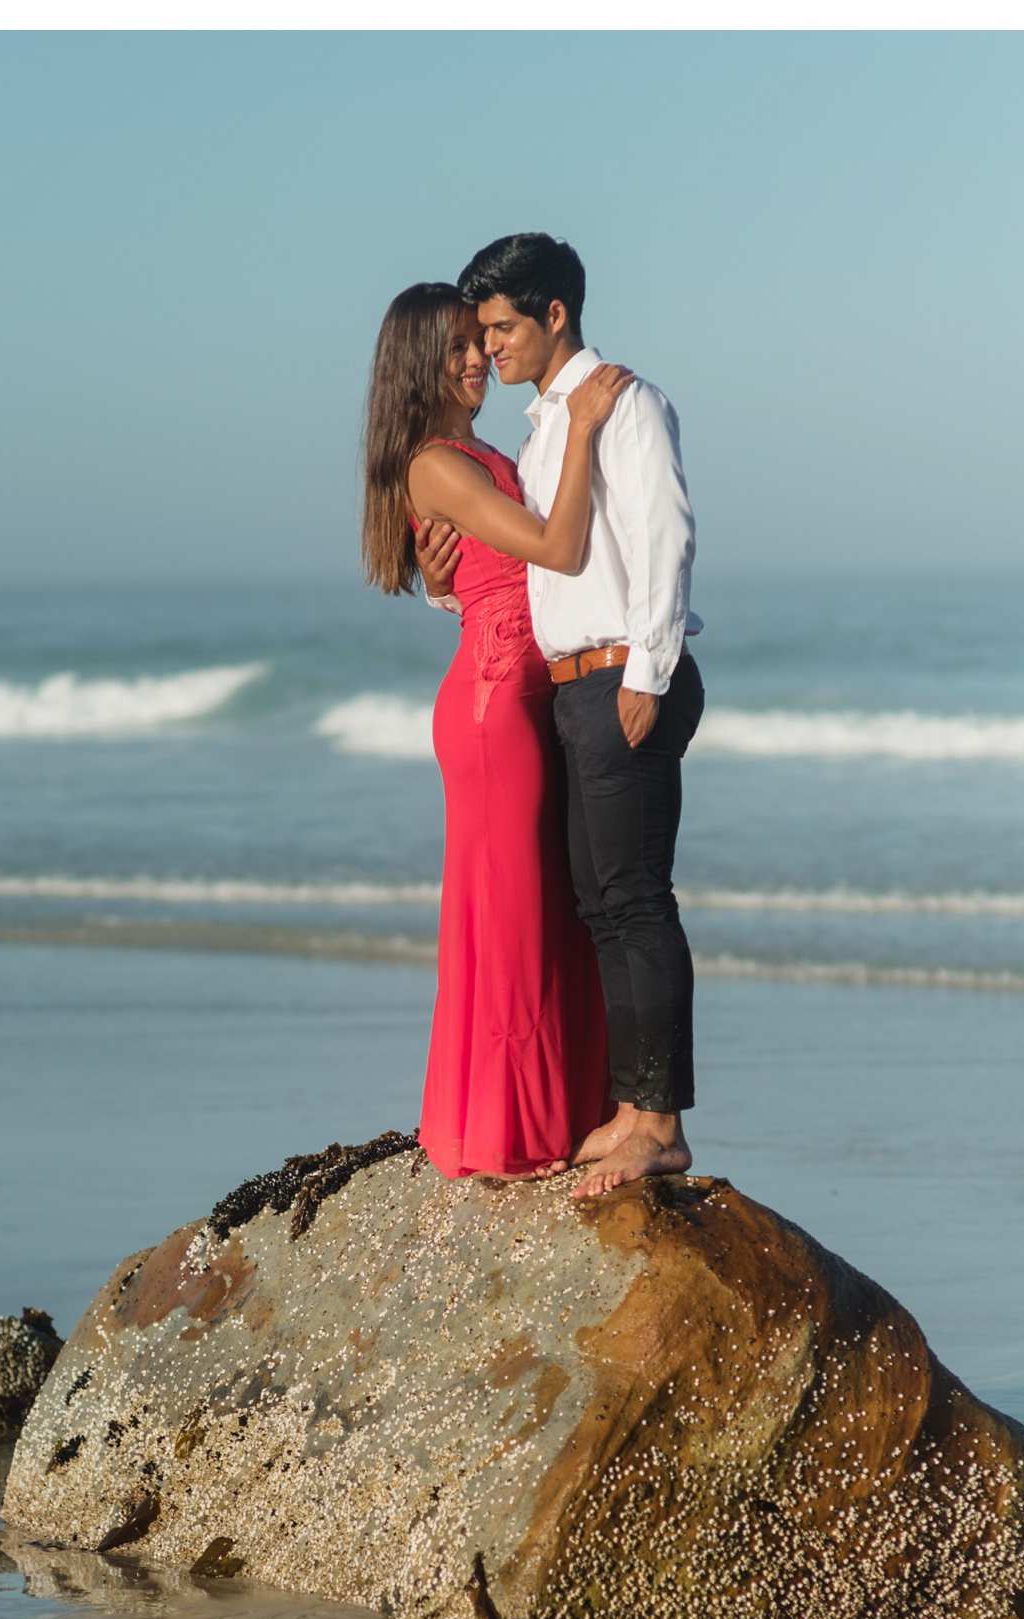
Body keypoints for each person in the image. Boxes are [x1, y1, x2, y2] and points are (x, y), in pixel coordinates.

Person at [419, 233, 704, 1199]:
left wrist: (650, 674)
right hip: (569, 685)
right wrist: (440, 582)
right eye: (478, 331)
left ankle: (659, 1123)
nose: (487, 348)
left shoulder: (622, 406)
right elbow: (518, 567)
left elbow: (665, 540)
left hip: (624, 674)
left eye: (500, 327)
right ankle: (631, 1107)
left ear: (553, 317)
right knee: (598, 907)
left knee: (635, 902)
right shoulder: (541, 432)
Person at [361, 283, 631, 1180]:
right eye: (456, 348)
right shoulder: (437, 463)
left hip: (522, 697)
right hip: (491, 714)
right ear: (417, 364)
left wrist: (445, 584)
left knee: (545, 911)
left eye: (480, 341)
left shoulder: (470, 453)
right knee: (510, 920)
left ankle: (555, 1112)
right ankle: (510, 1131)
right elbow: (554, 550)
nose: (477, 359)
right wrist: (587, 426)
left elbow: (488, 572)